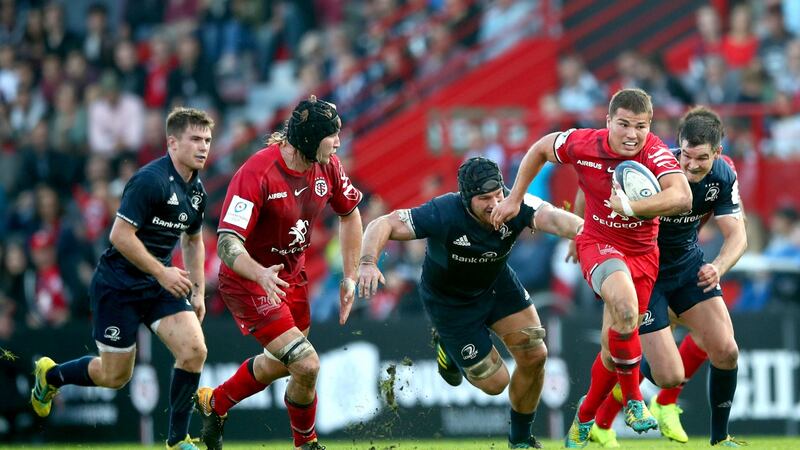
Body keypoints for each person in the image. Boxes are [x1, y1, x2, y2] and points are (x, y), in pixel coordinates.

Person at [490, 88, 692, 448]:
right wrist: (515, 197)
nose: (632, 134)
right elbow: (539, 149)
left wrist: (631, 207)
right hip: (598, 244)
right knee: (626, 309)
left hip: (644, 255)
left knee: (612, 350)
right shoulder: (583, 144)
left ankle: (584, 420)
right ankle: (633, 402)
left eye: (641, 126)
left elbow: (682, 196)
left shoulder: (655, 151)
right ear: (608, 121)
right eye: (624, 124)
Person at [357, 156, 585, 449]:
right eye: (484, 198)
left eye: (497, 194)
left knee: (536, 355)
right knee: (495, 383)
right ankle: (447, 347)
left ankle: (520, 440)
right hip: (450, 304)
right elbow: (383, 223)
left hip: (496, 286)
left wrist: (587, 232)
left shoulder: (514, 203)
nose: (494, 204)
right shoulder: (443, 212)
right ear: (466, 199)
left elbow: (553, 217)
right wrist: (367, 262)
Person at [30, 107, 215, 450]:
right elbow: (119, 235)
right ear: (172, 143)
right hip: (118, 286)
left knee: (194, 350)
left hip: (159, 282)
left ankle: (177, 440)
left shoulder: (197, 190)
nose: (204, 147)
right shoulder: (150, 180)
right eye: (195, 139)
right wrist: (161, 271)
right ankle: (50, 375)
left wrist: (199, 292)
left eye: (207, 140)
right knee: (114, 376)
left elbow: (192, 239)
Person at [193, 95, 362, 450]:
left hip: (290, 278)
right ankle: (307, 443)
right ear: (310, 138)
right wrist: (260, 275)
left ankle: (216, 403)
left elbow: (350, 215)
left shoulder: (328, 165)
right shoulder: (257, 173)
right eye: (332, 135)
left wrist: (349, 275)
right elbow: (227, 243)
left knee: (284, 363)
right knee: (306, 363)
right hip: (249, 281)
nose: (338, 142)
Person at [588, 107, 747, 448]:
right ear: (678, 146)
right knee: (668, 374)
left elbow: (739, 236)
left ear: (717, 153)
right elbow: (596, 190)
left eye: (701, 158)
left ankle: (720, 439)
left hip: (688, 268)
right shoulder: (649, 169)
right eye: (685, 155)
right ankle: (604, 415)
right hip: (646, 274)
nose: (690, 165)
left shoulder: (723, 175)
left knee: (726, 350)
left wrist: (718, 266)